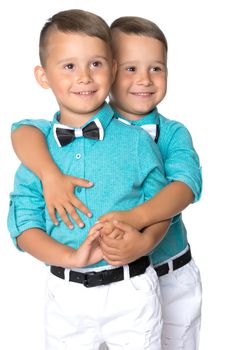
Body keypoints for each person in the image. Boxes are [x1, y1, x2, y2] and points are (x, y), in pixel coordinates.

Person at [10, 14, 202, 350]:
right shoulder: (46, 142)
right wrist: (50, 176)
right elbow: (23, 133)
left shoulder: (156, 138)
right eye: (130, 68)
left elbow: (182, 188)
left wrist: (138, 232)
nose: (142, 79)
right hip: (74, 289)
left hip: (159, 274)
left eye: (155, 68)